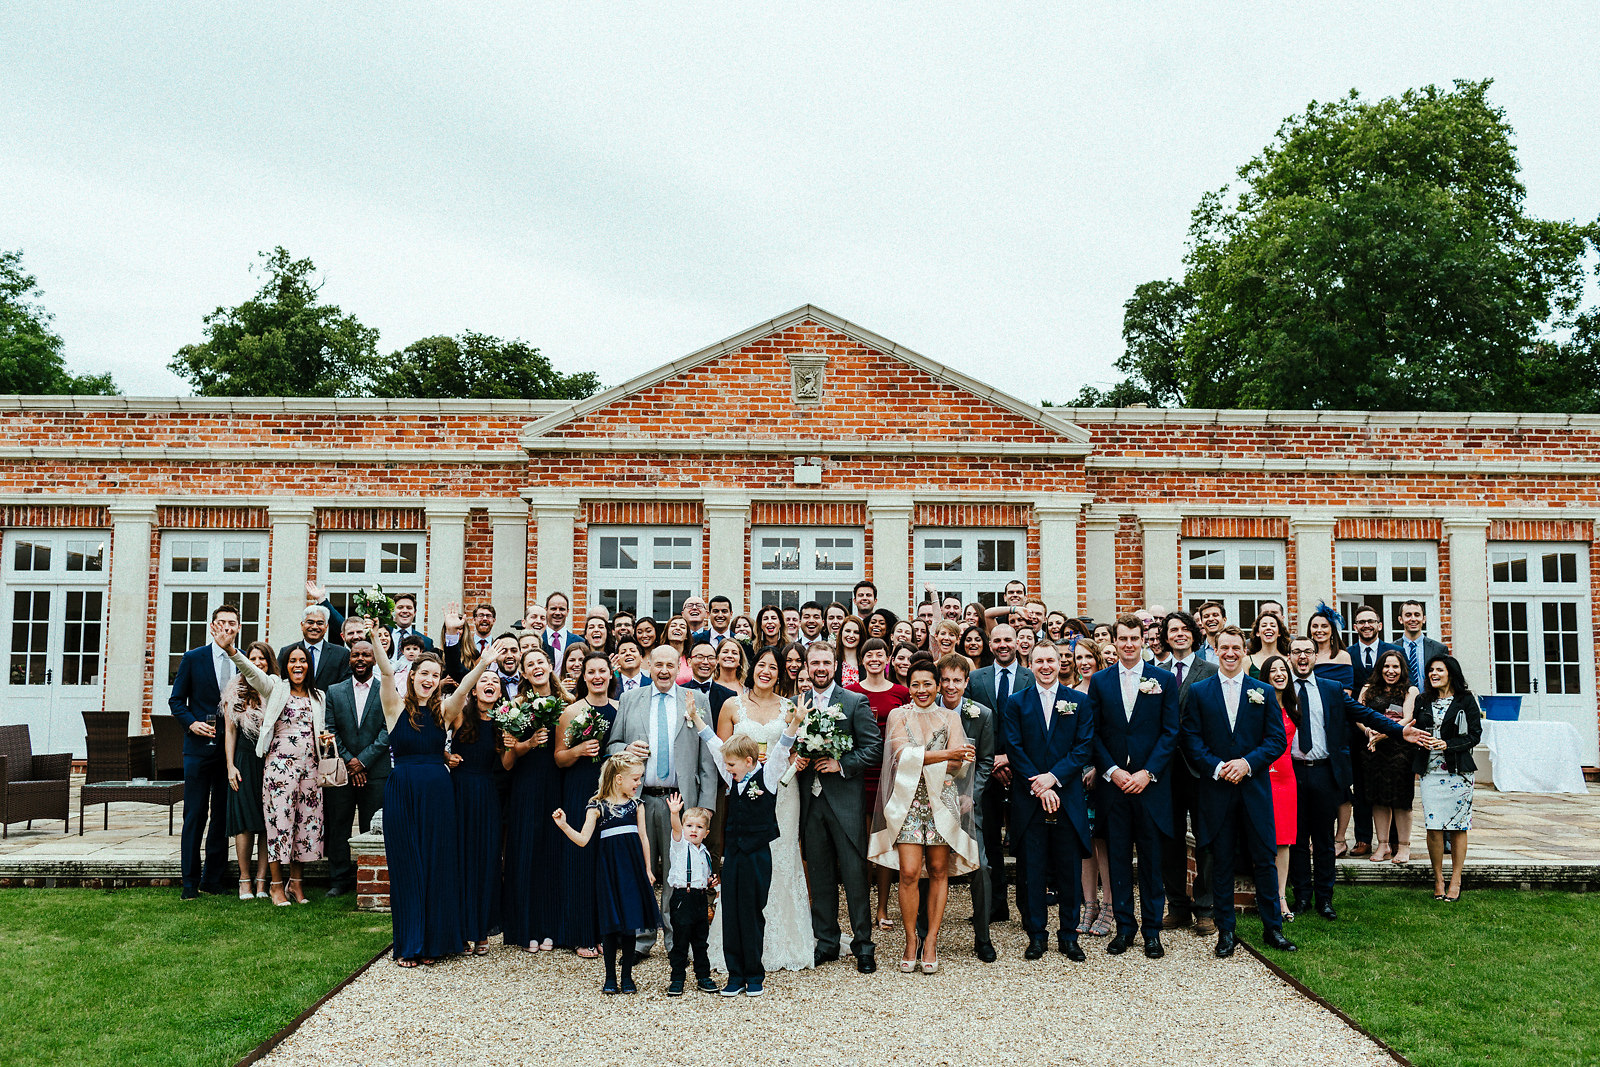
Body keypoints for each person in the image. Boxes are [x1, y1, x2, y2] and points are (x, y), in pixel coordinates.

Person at [1284, 636, 1435, 920]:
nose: (1302, 656)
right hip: (1292, 773)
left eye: (1307, 651)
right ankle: (1302, 896)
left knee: (1325, 840)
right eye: (1296, 652)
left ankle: (1325, 899)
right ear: (1289, 657)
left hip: (1324, 771)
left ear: (1316, 656)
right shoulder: (1279, 689)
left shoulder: (1331, 689)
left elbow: (1365, 713)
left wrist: (1397, 730)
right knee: (1298, 840)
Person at [1177, 626, 1297, 956]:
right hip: (1215, 791)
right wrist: (1217, 767)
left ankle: (1274, 929)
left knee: (1263, 859)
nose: (1230, 653)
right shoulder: (1201, 692)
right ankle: (1225, 931)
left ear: (1244, 651)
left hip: (1254, 789)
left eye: (1236, 647)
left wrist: (1246, 763)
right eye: (1224, 647)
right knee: (1221, 860)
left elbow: (1275, 740)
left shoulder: (1262, 690)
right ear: (1215, 651)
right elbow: (1191, 739)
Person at [607, 646, 720, 961]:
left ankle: (675, 941)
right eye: (658, 664)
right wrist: (627, 746)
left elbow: (707, 760)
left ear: (678, 666)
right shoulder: (631, 700)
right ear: (648, 664)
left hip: (681, 802)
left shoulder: (697, 701)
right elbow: (611, 745)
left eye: (671, 665)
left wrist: (705, 806)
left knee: (678, 874)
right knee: (642, 871)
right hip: (641, 800)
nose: (664, 670)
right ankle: (642, 939)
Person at [707, 644, 814, 973]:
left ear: (781, 673)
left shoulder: (790, 707)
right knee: (747, 861)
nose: (766, 671)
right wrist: (749, 765)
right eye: (761, 665)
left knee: (782, 855)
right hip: (745, 796)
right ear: (752, 669)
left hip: (783, 791)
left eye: (773, 667)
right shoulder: (731, 705)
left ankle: (785, 941)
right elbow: (724, 755)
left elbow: (798, 750)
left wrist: (782, 767)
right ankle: (740, 943)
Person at [869, 654, 979, 974]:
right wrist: (946, 754)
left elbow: (960, 765)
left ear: (937, 686)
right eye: (914, 684)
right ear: (909, 685)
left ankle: (930, 939)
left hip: (941, 802)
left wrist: (940, 760)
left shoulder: (950, 718)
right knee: (909, 871)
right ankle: (910, 940)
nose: (921, 689)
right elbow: (902, 755)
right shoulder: (898, 716)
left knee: (938, 869)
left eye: (927, 684)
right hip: (907, 801)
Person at [368, 627, 466, 963]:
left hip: (439, 791)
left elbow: (465, 686)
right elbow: (383, 670)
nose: (429, 679)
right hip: (403, 790)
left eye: (435, 675)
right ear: (411, 676)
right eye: (424, 673)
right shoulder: (394, 706)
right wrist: (373, 636)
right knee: (407, 864)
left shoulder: (444, 712)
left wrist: (485, 664)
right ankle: (409, 943)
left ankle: (434, 943)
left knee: (437, 864)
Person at [690, 701, 800, 997]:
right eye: (727, 765)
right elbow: (714, 745)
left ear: (750, 761)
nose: (727, 769)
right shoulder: (732, 778)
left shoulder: (769, 774)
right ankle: (734, 974)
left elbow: (782, 748)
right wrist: (697, 720)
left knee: (752, 912)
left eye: (732, 765)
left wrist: (796, 721)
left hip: (758, 854)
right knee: (731, 912)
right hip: (735, 855)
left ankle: (754, 974)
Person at [1088, 614, 1179, 959]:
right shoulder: (1100, 681)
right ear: (1114, 640)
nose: (1128, 644)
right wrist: (1111, 770)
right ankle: (1125, 928)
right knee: (1119, 861)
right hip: (1114, 787)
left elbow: (1171, 732)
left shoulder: (1163, 680)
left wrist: (1147, 773)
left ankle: (1152, 931)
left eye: (1134, 638)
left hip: (1150, 787)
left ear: (1145, 639)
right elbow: (1093, 731)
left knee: (1152, 862)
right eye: (1122, 638)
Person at [1001, 642, 1093, 962]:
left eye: (1051, 660)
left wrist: (1053, 779)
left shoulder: (1078, 701)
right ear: (1029, 663)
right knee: (1032, 870)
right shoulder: (1016, 702)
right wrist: (1040, 786)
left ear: (1060, 663)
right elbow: (1014, 747)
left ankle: (1069, 934)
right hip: (1029, 798)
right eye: (1038, 661)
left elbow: (1083, 748)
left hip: (1065, 796)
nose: (1045, 666)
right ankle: (1036, 935)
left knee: (1068, 870)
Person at [221, 630, 327, 907]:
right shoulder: (275, 687)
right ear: (286, 664)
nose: (298, 665)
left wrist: (325, 739)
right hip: (280, 768)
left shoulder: (319, 696)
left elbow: (319, 730)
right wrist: (232, 650)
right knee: (279, 825)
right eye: (293, 661)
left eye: (303, 661)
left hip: (310, 771)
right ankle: (276, 886)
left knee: (306, 827)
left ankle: (297, 884)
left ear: (309, 665)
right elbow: (252, 672)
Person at [795, 641, 883, 973]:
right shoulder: (795, 704)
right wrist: (798, 758)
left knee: (855, 875)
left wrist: (841, 764)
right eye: (813, 662)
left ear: (835, 665)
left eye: (825, 662)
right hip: (810, 803)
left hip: (844, 800)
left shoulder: (854, 701)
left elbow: (874, 748)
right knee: (819, 876)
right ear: (806, 666)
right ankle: (827, 941)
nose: (819, 668)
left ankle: (863, 946)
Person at [912, 653, 996, 961]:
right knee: (924, 867)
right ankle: (922, 936)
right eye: (944, 680)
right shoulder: (922, 714)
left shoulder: (981, 715)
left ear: (966, 683)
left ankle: (983, 937)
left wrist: (970, 794)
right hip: (927, 802)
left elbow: (986, 760)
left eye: (956, 680)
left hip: (965, 804)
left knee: (982, 866)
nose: (950, 686)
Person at [552, 755, 659, 995]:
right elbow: (582, 840)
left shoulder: (636, 805)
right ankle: (610, 977)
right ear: (619, 779)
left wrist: (648, 869)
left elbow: (644, 838)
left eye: (640, 778)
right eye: (635, 778)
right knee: (610, 926)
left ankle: (627, 977)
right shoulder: (597, 806)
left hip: (632, 872)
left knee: (631, 924)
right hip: (609, 873)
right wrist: (564, 826)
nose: (638, 783)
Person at [502, 646, 571, 953]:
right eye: (529, 664)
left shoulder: (568, 704)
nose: (536, 667)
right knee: (527, 853)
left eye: (540, 661)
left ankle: (552, 927)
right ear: (524, 673)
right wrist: (527, 743)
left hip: (558, 785)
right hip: (527, 785)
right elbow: (506, 760)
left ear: (549, 666)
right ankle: (527, 927)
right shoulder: (514, 707)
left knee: (553, 854)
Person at [555, 652, 623, 958]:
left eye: (602, 671)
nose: (597, 676)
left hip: (611, 791)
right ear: (584, 677)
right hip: (580, 788)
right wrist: (579, 749)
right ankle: (580, 932)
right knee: (581, 859)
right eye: (591, 671)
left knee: (607, 862)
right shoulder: (572, 712)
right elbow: (558, 757)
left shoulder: (620, 710)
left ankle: (605, 931)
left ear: (610, 675)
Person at [1156, 611, 1219, 936]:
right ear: (1166, 637)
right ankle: (1177, 905)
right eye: (1173, 630)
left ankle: (1205, 908)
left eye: (1184, 630)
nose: (1179, 634)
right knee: (1170, 838)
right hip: (1166, 770)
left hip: (1200, 768)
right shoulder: (1155, 673)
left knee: (1205, 839)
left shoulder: (1210, 670)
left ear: (1193, 635)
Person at [966, 623, 1032, 924]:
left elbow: (1036, 729)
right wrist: (991, 761)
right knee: (989, 840)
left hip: (1023, 771)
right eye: (997, 640)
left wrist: (1011, 760)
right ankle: (994, 906)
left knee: (1023, 839)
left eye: (1008, 639)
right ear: (989, 644)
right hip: (986, 771)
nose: (1003, 645)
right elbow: (967, 725)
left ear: (1018, 642)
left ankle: (1027, 907)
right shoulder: (976, 679)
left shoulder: (1031, 678)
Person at [848, 636, 909, 931]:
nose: (874, 658)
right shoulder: (850, 692)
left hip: (891, 774)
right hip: (860, 774)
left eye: (879, 653)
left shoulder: (902, 692)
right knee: (860, 844)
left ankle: (883, 907)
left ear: (888, 659)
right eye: (868, 654)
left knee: (886, 841)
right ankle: (860, 907)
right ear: (862, 660)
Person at [322, 638, 390, 900]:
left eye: (366, 655)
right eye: (355, 655)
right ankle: (338, 879)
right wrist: (351, 761)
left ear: (374, 659)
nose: (360, 659)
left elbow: (388, 730)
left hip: (375, 771)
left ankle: (368, 878)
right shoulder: (334, 691)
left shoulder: (386, 688)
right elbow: (330, 729)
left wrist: (363, 761)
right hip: (341, 770)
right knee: (338, 825)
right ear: (349, 659)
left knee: (372, 826)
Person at [450, 663, 504, 954]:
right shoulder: (460, 714)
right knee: (460, 860)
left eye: (495, 680)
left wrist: (514, 745)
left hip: (487, 794)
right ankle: (460, 929)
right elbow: (431, 737)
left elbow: (507, 765)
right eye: (484, 679)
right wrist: (446, 756)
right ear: (473, 687)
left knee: (485, 861)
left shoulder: (504, 720)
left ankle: (481, 929)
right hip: (459, 792)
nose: (489, 684)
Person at [1417, 655, 1480, 902]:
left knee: (1458, 825)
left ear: (1450, 673)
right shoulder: (1423, 700)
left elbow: (1475, 735)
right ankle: (1438, 878)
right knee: (1433, 826)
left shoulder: (1465, 700)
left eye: (1439, 670)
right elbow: (1415, 728)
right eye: (1431, 670)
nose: (1434, 674)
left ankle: (1456, 878)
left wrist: (1448, 744)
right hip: (1430, 771)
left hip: (1458, 772)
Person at [1066, 638, 1113, 938]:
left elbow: (1110, 735)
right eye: (1078, 658)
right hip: (1076, 777)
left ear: (1098, 658)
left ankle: (1109, 905)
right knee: (1083, 843)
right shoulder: (1070, 694)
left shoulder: (1106, 691)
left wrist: (1098, 767)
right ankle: (1089, 904)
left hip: (1102, 775)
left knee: (1103, 843)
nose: (1084, 662)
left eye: (1088, 657)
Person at [221, 640, 275, 900]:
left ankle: (262, 882)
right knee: (243, 822)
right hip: (243, 759)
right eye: (253, 658)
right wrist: (230, 766)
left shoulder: (275, 688)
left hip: (269, 759)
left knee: (267, 823)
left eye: (262, 658)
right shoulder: (235, 690)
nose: (258, 662)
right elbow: (230, 732)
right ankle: (244, 881)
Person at [1359, 650, 1419, 865]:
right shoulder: (1368, 689)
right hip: (1373, 748)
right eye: (1386, 666)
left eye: (1395, 667)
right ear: (1380, 668)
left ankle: (1403, 846)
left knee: (1401, 800)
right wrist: (1369, 732)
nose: (1390, 671)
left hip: (1399, 749)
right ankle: (1383, 843)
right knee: (1378, 798)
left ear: (1402, 669)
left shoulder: (1410, 690)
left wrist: (1385, 732)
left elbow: (1409, 717)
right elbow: (1358, 713)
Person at [664, 795, 718, 996]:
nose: (693, 830)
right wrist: (675, 813)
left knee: (701, 940)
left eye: (699, 827)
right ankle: (677, 978)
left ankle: (703, 976)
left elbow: (704, 875)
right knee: (681, 941)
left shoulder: (704, 852)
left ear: (706, 832)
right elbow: (676, 829)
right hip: (682, 899)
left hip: (700, 899)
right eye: (689, 826)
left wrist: (710, 881)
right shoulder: (679, 846)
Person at [1261, 654, 1300, 918]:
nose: (1279, 673)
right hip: (1263, 776)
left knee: (1284, 842)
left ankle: (1281, 897)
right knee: (1264, 840)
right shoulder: (1257, 704)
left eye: (1283, 669)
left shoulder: (1292, 708)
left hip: (1286, 779)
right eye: (1273, 670)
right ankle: (1263, 894)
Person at [1397, 600, 1449, 695]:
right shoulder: (1391, 649)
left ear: (1424, 619)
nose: (1413, 619)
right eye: (1408, 615)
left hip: (1431, 702)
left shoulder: (1439, 649)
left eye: (1417, 615)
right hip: (1400, 705)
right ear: (1400, 619)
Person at [683, 639, 736, 730]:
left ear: (716, 662)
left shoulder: (729, 696)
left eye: (711, 658)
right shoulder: (679, 691)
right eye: (700, 657)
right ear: (689, 662)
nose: (705, 662)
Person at [540, 592, 583, 662]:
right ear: (546, 610)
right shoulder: (538, 640)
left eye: (562, 609)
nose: (557, 613)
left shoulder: (579, 641)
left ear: (567, 612)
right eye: (553, 609)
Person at [1247, 611, 1291, 676]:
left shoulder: (1289, 661)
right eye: (1264, 625)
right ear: (1257, 633)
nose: (1268, 628)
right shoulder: (1247, 661)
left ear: (1279, 633)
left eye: (1273, 625)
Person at [836, 615, 865, 687]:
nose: (851, 635)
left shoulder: (866, 662)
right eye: (848, 631)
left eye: (856, 632)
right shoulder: (832, 660)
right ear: (841, 633)